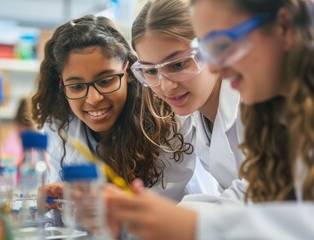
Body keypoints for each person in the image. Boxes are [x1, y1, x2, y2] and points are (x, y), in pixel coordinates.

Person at [107, 0, 314, 239]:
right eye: (150, 71)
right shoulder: (267, 111)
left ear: (284, 27)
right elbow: (261, 194)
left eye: (225, 45)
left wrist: (192, 225)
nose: (215, 67)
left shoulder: (275, 109)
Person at [31, 15, 212, 214]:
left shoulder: (168, 121)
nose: (93, 98)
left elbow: (155, 210)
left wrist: (90, 202)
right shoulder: (60, 124)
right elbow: (63, 206)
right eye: (77, 86)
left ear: (127, 71)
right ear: (61, 84)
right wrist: (53, 200)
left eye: (106, 80)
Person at [130, 0, 246, 201]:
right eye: (150, 71)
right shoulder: (193, 117)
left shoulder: (251, 103)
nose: (166, 87)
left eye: (177, 65)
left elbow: (262, 193)